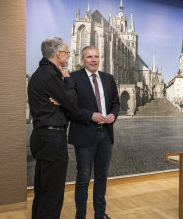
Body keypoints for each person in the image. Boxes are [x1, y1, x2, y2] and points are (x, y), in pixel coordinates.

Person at [28, 37, 77, 219]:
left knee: (42, 191)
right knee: (52, 195)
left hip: (40, 136)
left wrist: (62, 103)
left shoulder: (38, 74)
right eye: (67, 52)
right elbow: (72, 102)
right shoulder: (51, 75)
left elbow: (66, 105)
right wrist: (68, 79)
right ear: (58, 54)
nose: (68, 56)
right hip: (52, 139)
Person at [68, 45, 120, 219]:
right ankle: (80, 216)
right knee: (83, 179)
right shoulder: (73, 78)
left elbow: (116, 103)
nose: (93, 60)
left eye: (96, 56)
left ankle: (100, 214)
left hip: (106, 134)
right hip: (84, 134)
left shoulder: (108, 78)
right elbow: (70, 107)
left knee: (102, 177)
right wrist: (90, 115)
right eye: (89, 57)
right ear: (82, 60)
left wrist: (113, 114)